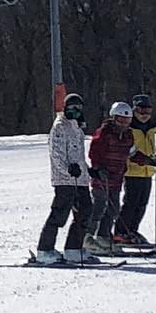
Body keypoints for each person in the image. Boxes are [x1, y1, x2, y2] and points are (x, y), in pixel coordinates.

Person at [34, 92, 95, 265]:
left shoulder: (77, 127)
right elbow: (56, 155)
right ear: (65, 108)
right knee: (60, 214)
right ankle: (44, 250)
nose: (75, 111)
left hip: (79, 179)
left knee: (85, 212)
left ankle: (73, 248)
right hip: (64, 179)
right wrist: (68, 169)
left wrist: (89, 171)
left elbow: (78, 156)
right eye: (72, 107)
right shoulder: (59, 126)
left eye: (79, 108)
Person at [85, 100, 135, 254]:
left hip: (117, 178)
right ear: (114, 118)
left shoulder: (128, 136)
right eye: (121, 120)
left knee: (113, 210)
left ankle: (103, 236)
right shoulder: (104, 133)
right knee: (99, 207)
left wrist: (147, 160)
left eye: (127, 120)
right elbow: (94, 153)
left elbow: (132, 153)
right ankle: (86, 237)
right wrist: (98, 168)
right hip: (102, 177)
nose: (124, 123)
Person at [115, 93, 156, 244]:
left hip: (147, 170)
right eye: (141, 111)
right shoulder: (129, 126)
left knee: (142, 203)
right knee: (131, 202)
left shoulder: (151, 126)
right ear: (134, 110)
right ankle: (121, 232)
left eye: (148, 112)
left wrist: (153, 158)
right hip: (132, 170)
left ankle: (133, 230)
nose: (144, 115)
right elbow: (128, 149)